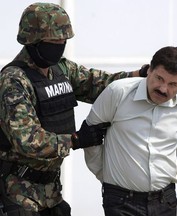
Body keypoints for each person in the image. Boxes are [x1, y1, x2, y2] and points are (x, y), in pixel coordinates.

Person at [0, 2, 145, 216]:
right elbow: (27, 140)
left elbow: (100, 84)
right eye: (53, 41)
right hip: (19, 192)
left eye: (63, 41)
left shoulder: (61, 69)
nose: (59, 45)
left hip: (51, 192)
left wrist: (140, 76)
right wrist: (76, 140)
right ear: (33, 40)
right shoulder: (14, 80)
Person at [84, 46, 177, 216]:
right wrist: (106, 176)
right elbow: (89, 138)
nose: (163, 89)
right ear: (149, 70)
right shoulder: (118, 92)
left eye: (173, 84)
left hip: (165, 201)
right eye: (159, 78)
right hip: (121, 202)